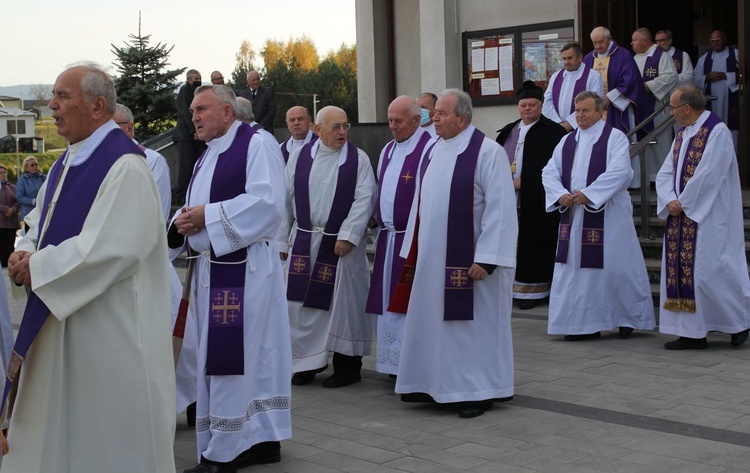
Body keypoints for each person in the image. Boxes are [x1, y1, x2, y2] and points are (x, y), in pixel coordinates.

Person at [3, 63, 175, 472]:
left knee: (100, 438)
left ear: (97, 106)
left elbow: (111, 248)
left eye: (63, 96)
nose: (52, 105)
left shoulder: (126, 166)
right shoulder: (67, 161)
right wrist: (23, 250)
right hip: (60, 323)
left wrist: (38, 267)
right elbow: (37, 222)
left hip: (106, 332)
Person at [168, 85, 291, 473]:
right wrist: (180, 225)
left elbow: (268, 203)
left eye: (201, 109)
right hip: (213, 270)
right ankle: (262, 439)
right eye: (192, 112)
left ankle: (224, 450)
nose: (195, 117)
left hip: (245, 271)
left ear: (226, 110)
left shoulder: (258, 143)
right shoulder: (207, 156)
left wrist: (207, 217)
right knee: (245, 359)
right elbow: (194, 208)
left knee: (234, 361)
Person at [393, 89, 517, 418]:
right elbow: (423, 206)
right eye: (434, 113)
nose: (434, 118)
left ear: (462, 119)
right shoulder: (433, 150)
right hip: (434, 259)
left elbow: (501, 208)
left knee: (470, 329)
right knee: (438, 325)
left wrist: (487, 257)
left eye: (442, 113)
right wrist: (413, 249)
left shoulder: (489, 153)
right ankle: (439, 384)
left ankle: (479, 389)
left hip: (473, 262)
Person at [542, 91, 655, 341]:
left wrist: (590, 194)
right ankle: (582, 323)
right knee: (576, 270)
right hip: (574, 215)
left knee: (616, 266)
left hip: (608, 212)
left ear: (600, 111)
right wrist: (560, 194)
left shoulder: (614, 138)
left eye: (586, 111)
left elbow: (620, 171)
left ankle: (626, 317)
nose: (580, 116)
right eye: (578, 111)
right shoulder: (567, 140)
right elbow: (549, 171)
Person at [277, 106, 377, 388]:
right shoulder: (300, 157)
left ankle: (347, 367)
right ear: (317, 130)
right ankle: (307, 363)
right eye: (336, 127)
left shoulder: (358, 160)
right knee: (300, 307)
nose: (343, 132)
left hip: (339, 246)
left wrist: (348, 235)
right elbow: (284, 200)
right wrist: (282, 240)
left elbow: (364, 198)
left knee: (343, 307)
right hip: (305, 241)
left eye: (346, 126)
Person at [112, 103, 197, 420]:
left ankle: (193, 401)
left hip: (149, 260)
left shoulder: (153, 161)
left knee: (176, 337)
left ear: (129, 128)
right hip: (117, 264)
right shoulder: (101, 162)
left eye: (114, 126)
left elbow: (155, 215)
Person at [656, 85, 750, 350]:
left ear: (687, 107)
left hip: (708, 215)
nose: (671, 113)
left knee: (712, 272)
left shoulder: (716, 131)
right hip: (683, 213)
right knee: (690, 274)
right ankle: (692, 332)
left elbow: (710, 174)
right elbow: (666, 172)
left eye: (673, 108)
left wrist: (682, 203)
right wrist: (668, 199)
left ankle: (738, 323)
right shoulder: (684, 132)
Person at [366, 95, 432, 377]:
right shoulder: (388, 150)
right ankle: (391, 364)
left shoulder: (429, 149)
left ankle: (412, 364)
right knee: (387, 302)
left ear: (417, 121)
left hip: (412, 240)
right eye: (390, 120)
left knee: (408, 302)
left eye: (399, 121)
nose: (393, 126)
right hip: (388, 238)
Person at [497, 82, 567, 309]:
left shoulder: (553, 132)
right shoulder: (509, 130)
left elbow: (556, 169)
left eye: (532, 105)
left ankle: (534, 291)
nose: (527, 109)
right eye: (523, 105)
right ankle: (512, 289)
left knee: (534, 242)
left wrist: (524, 183)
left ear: (541, 105)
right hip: (510, 198)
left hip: (536, 200)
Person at [584, 26, 645, 187]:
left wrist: (609, 99)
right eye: (594, 43)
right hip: (595, 110)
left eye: (601, 42)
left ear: (609, 38)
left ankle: (628, 181)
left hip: (617, 108)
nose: (597, 46)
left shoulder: (623, 55)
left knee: (620, 142)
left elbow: (630, 81)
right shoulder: (589, 58)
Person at [631, 27, 678, 182]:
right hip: (637, 108)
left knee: (658, 143)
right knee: (639, 140)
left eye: (635, 40)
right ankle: (642, 178)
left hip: (656, 107)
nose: (632, 43)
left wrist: (647, 86)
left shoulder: (661, 56)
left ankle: (660, 178)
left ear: (644, 40)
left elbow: (671, 77)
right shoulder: (635, 58)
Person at [543, 42, 604, 132]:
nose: (566, 62)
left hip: (584, 127)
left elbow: (594, 104)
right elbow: (547, 102)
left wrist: (570, 124)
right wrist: (558, 123)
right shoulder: (556, 76)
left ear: (580, 57)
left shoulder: (593, 76)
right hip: (557, 127)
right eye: (564, 59)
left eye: (570, 58)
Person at [694, 30, 739, 150]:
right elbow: (695, 77)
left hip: (730, 98)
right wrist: (706, 78)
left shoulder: (736, 54)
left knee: (732, 125)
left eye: (718, 40)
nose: (715, 43)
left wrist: (725, 76)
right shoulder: (705, 59)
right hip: (712, 98)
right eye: (712, 41)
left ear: (724, 40)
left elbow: (744, 75)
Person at [174, 69, 206, 204]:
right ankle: (181, 195)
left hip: (199, 135)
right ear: (188, 80)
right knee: (186, 166)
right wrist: (194, 131)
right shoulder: (184, 91)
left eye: (199, 78)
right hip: (187, 135)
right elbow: (185, 113)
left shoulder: (200, 92)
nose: (198, 80)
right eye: (195, 78)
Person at [15, 156, 46, 229]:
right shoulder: (22, 180)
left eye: (36, 164)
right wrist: (34, 201)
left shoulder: (44, 178)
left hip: (43, 213)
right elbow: (19, 197)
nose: (35, 166)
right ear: (26, 168)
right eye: (32, 165)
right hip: (29, 215)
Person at [0, 166, 19, 267]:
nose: (3, 175)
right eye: (1, 173)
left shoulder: (12, 187)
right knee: (2, 244)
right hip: (1, 221)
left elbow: (18, 199)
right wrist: (5, 209)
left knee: (10, 244)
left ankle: (10, 264)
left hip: (12, 221)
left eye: (4, 172)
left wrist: (13, 209)